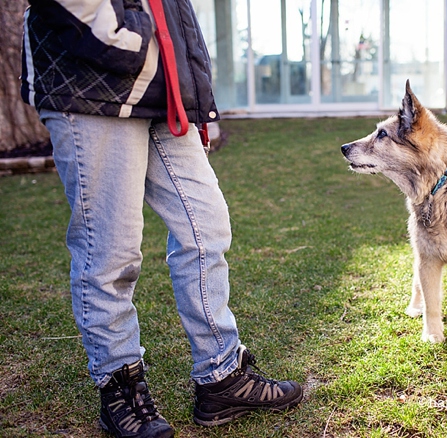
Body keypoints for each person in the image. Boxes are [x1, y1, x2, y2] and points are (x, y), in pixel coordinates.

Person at [20, 1, 302, 436]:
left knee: (206, 231)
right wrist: (128, 35)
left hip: (161, 91)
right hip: (92, 83)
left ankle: (221, 376)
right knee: (110, 251)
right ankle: (120, 388)